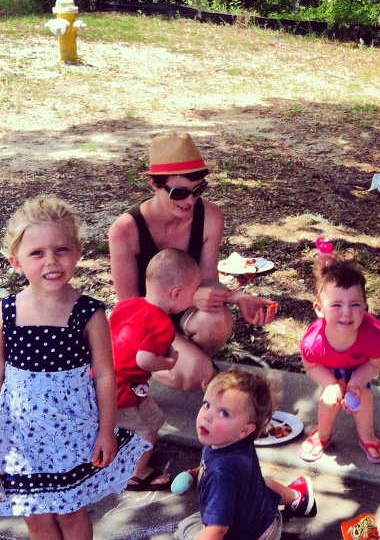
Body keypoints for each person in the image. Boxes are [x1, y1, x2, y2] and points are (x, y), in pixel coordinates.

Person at [0, 196, 150, 540]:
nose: (51, 261)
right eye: (37, 253)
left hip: (71, 432)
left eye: (62, 250)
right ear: (16, 261)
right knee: (35, 515)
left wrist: (106, 431)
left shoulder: (89, 313)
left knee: (70, 513)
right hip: (21, 438)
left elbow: (106, 375)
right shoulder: (6, 312)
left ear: (78, 253)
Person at [109, 132, 276, 392]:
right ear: (154, 184)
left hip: (183, 311)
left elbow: (209, 280)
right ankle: (163, 367)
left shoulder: (210, 216)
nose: (190, 201)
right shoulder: (125, 231)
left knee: (216, 320)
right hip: (144, 323)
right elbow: (128, 309)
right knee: (198, 372)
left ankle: (188, 366)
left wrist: (238, 298)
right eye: (178, 192)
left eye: (198, 189)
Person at [174, 368, 317, 540]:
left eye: (223, 413)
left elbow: (217, 530)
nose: (207, 417)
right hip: (262, 518)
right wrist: (195, 475)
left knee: (185, 530)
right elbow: (211, 465)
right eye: (207, 405)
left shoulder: (222, 475)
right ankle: (298, 496)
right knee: (259, 482)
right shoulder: (230, 443)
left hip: (250, 535)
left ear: (245, 430)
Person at [110, 248, 201, 491]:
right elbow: (144, 359)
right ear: (177, 293)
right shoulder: (162, 324)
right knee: (151, 423)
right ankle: (137, 473)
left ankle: (111, 455)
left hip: (100, 380)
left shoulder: (128, 304)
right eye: (192, 294)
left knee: (114, 422)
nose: (192, 300)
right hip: (124, 390)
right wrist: (168, 363)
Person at [298, 254, 380, 464]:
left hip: (360, 365)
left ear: (366, 307)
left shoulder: (375, 336)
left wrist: (356, 382)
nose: (347, 313)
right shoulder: (313, 343)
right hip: (329, 368)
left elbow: (374, 364)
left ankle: (367, 436)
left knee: (363, 396)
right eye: (337, 305)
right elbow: (312, 367)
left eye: (355, 305)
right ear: (319, 309)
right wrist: (331, 384)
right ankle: (323, 434)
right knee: (328, 400)